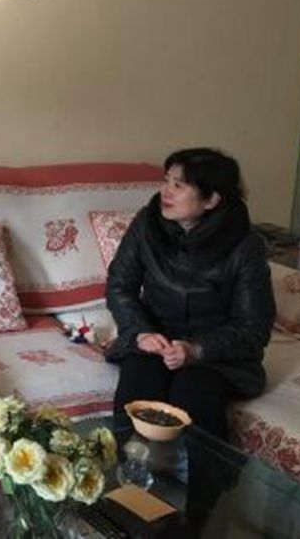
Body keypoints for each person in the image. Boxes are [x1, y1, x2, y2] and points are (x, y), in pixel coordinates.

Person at [106, 147, 275, 524]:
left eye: (179, 185)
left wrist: (197, 349)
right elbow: (120, 285)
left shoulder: (245, 246)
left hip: (216, 353)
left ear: (212, 199)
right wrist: (141, 332)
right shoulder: (147, 223)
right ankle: (127, 505)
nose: (166, 191)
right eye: (166, 180)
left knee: (193, 395)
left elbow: (253, 327)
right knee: (136, 391)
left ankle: (202, 516)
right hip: (154, 340)